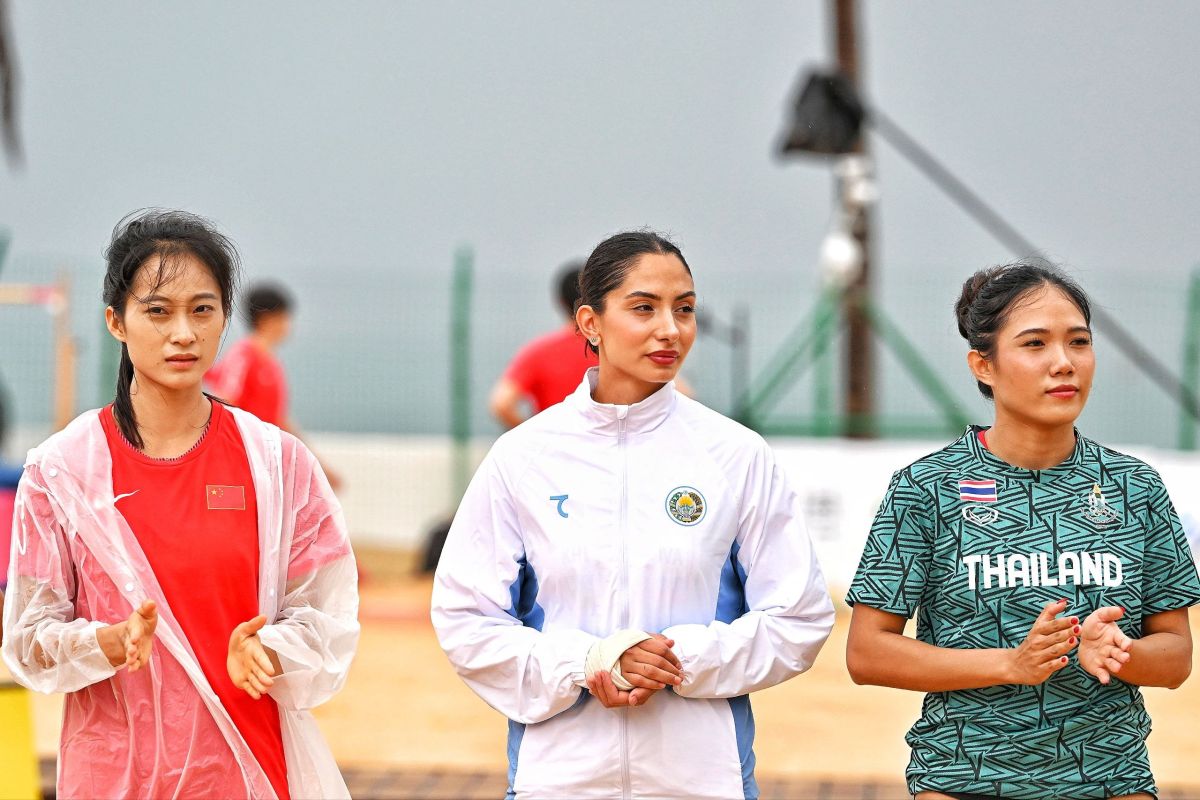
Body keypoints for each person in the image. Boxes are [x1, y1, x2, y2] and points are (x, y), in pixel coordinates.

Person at [432, 229, 835, 800]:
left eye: (684, 309)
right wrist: (587, 662)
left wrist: (679, 660)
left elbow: (799, 617)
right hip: (558, 780)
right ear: (590, 323)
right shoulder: (522, 457)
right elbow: (465, 617)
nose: (670, 329)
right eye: (644, 308)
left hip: (703, 781)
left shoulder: (736, 455)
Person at [2, 210, 359, 799]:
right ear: (116, 321)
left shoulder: (277, 465)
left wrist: (268, 649)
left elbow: (327, 618)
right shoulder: (61, 473)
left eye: (202, 309)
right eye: (158, 311)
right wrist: (108, 642)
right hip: (114, 778)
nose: (184, 333)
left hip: (246, 772)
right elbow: (27, 642)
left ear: (224, 318)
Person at [845, 260, 1200, 800]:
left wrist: (1119, 650)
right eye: (1035, 344)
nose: (1064, 363)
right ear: (982, 365)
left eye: (1079, 342)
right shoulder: (927, 487)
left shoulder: (1135, 486)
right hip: (963, 779)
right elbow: (867, 653)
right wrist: (1011, 664)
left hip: (1110, 779)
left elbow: (1176, 658)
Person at [207, 282, 342, 489]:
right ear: (268, 318)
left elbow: (279, 420)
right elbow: (224, 404)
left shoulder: (270, 362)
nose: (289, 325)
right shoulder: (244, 355)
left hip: (264, 465)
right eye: (285, 317)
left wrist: (318, 465)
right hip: (242, 465)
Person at [489, 261, 596, 429]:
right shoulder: (613, 348)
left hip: (555, 440)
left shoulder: (538, 351)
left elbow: (501, 404)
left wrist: (532, 435)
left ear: (560, 302)